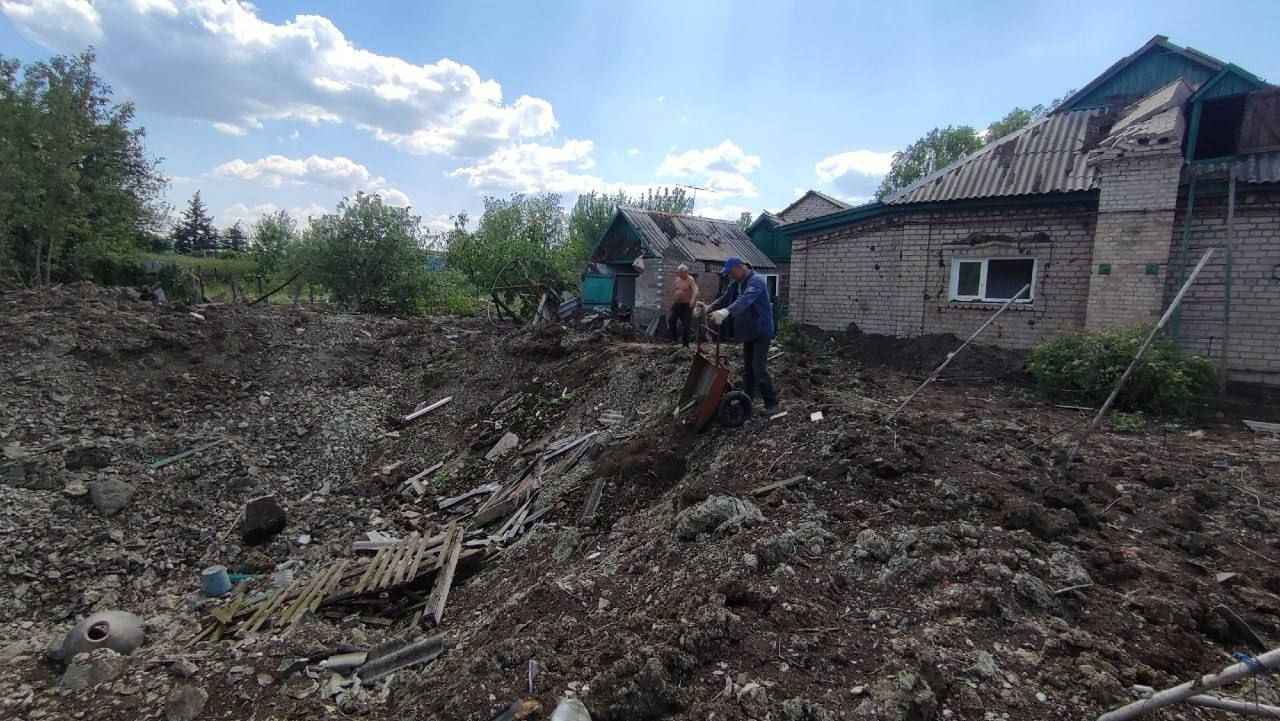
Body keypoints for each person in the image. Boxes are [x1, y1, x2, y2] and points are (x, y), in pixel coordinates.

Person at [699, 256, 780, 415]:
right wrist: (709, 308)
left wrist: (726, 312)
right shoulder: (736, 282)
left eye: (731, 272)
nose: (730, 276)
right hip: (748, 330)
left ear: (741, 267)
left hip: (761, 330)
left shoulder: (756, 281)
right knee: (748, 369)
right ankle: (747, 401)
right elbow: (725, 298)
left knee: (759, 368)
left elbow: (745, 300)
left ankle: (772, 403)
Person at [669, 264, 698, 347]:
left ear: (685, 272)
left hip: (686, 305)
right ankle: (675, 339)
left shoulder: (690, 279)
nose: (679, 275)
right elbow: (677, 290)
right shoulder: (677, 279)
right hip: (677, 304)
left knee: (686, 325)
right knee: (671, 320)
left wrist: (692, 300)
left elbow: (695, 290)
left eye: (681, 273)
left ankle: (685, 345)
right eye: (678, 273)